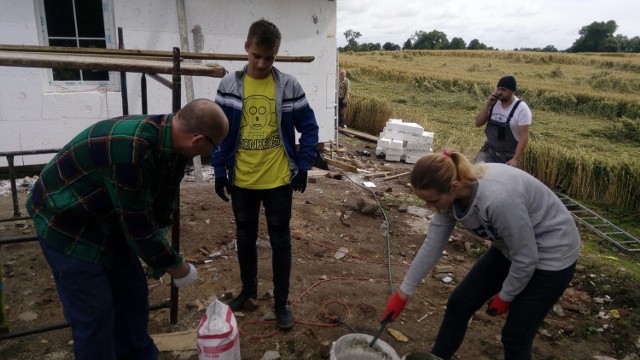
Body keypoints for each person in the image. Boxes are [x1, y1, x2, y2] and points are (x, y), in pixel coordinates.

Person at [26, 99, 229, 360]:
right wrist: (176, 265)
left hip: (110, 218)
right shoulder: (131, 150)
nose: (211, 153)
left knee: (132, 295)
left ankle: (138, 354)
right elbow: (137, 227)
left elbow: (160, 206)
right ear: (198, 139)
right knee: (96, 313)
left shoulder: (174, 148)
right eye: (214, 146)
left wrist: (159, 249)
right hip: (67, 223)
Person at [381, 151, 580, 360]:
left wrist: (506, 295)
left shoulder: (498, 199)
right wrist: (403, 293)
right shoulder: (450, 198)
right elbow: (433, 244)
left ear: (453, 187)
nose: (429, 207)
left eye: (433, 201)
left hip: (552, 256)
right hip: (510, 248)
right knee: (459, 304)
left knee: (516, 336)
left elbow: (527, 256)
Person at [211, 19, 319, 330]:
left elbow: (309, 127)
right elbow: (219, 132)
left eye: (269, 58)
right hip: (242, 179)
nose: (261, 63)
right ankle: (248, 290)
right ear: (247, 47)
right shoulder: (229, 85)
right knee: (244, 237)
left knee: (280, 240)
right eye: (256, 55)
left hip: (278, 180)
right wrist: (220, 171)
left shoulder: (288, 86)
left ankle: (281, 302)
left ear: (276, 55)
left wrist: (304, 164)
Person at [474, 75, 532, 166]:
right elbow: (478, 123)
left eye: (503, 89)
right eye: (498, 89)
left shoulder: (522, 109)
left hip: (508, 155)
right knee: (475, 175)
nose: (499, 92)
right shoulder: (493, 103)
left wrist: (515, 159)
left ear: (512, 91)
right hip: (489, 150)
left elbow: (524, 136)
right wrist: (488, 104)